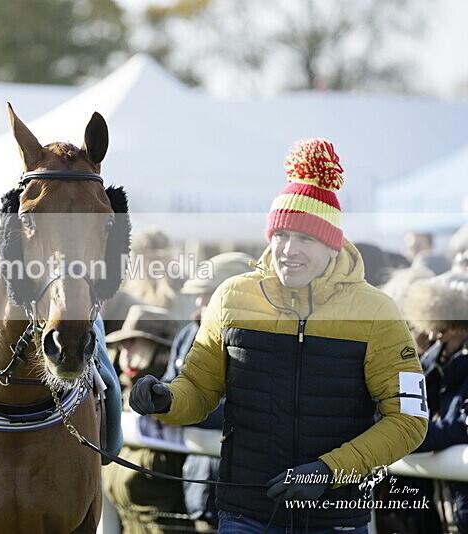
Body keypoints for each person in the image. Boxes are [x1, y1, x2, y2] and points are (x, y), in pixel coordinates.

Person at [129, 138, 429, 533]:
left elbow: (409, 420)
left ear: (332, 246)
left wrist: (328, 471)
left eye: (305, 238)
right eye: (281, 234)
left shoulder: (377, 312)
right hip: (245, 514)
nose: (289, 249)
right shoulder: (232, 296)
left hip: (334, 519)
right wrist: (166, 399)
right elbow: (199, 390)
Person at [163, 251, 255, 531]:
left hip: (246, 491)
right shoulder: (188, 335)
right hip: (197, 484)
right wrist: (159, 400)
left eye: (208, 293)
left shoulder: (258, 342)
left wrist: (180, 411)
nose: (199, 302)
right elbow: (171, 383)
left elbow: (245, 410)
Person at [102, 304, 185, 533]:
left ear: (161, 349)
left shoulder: (175, 400)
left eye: (133, 341)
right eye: (122, 343)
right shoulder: (119, 394)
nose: (124, 349)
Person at [403, 281, 468, 532]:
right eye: (431, 329)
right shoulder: (428, 367)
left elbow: (462, 427)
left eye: (441, 330)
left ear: (460, 327)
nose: (432, 338)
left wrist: (412, 436)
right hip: (437, 511)